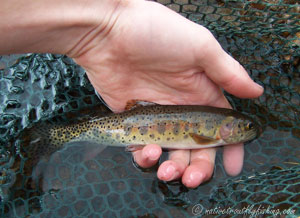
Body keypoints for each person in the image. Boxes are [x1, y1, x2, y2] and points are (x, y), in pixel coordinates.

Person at [1, 0, 263, 188]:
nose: (248, 130)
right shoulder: (210, 134)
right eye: (245, 127)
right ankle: (56, 136)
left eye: (247, 127)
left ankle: (56, 136)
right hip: (124, 125)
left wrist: (105, 25)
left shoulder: (214, 129)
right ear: (228, 127)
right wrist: (107, 24)